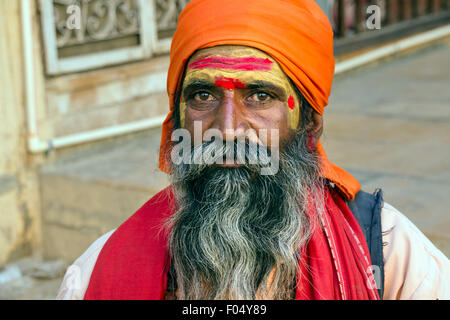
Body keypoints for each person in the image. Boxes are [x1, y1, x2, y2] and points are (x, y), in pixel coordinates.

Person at [57, 0, 449, 300]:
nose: (227, 129)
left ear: (309, 125)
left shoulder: (387, 255)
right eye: (203, 94)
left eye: (260, 95)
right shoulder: (99, 272)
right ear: (177, 120)